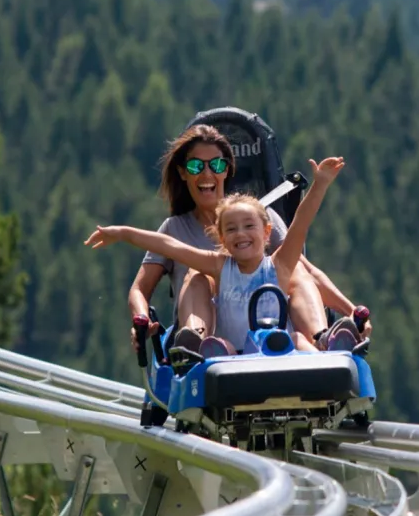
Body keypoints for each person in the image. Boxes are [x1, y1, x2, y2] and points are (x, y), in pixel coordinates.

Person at [123, 124, 371, 355]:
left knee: (293, 268)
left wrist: (351, 311)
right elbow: (139, 289)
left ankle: (322, 339)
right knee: (197, 276)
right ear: (183, 173)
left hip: (273, 333)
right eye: (196, 166)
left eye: (216, 166)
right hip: (218, 337)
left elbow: (303, 269)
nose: (207, 173)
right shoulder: (175, 227)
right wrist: (141, 320)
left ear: (227, 170)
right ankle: (196, 345)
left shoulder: (261, 216)